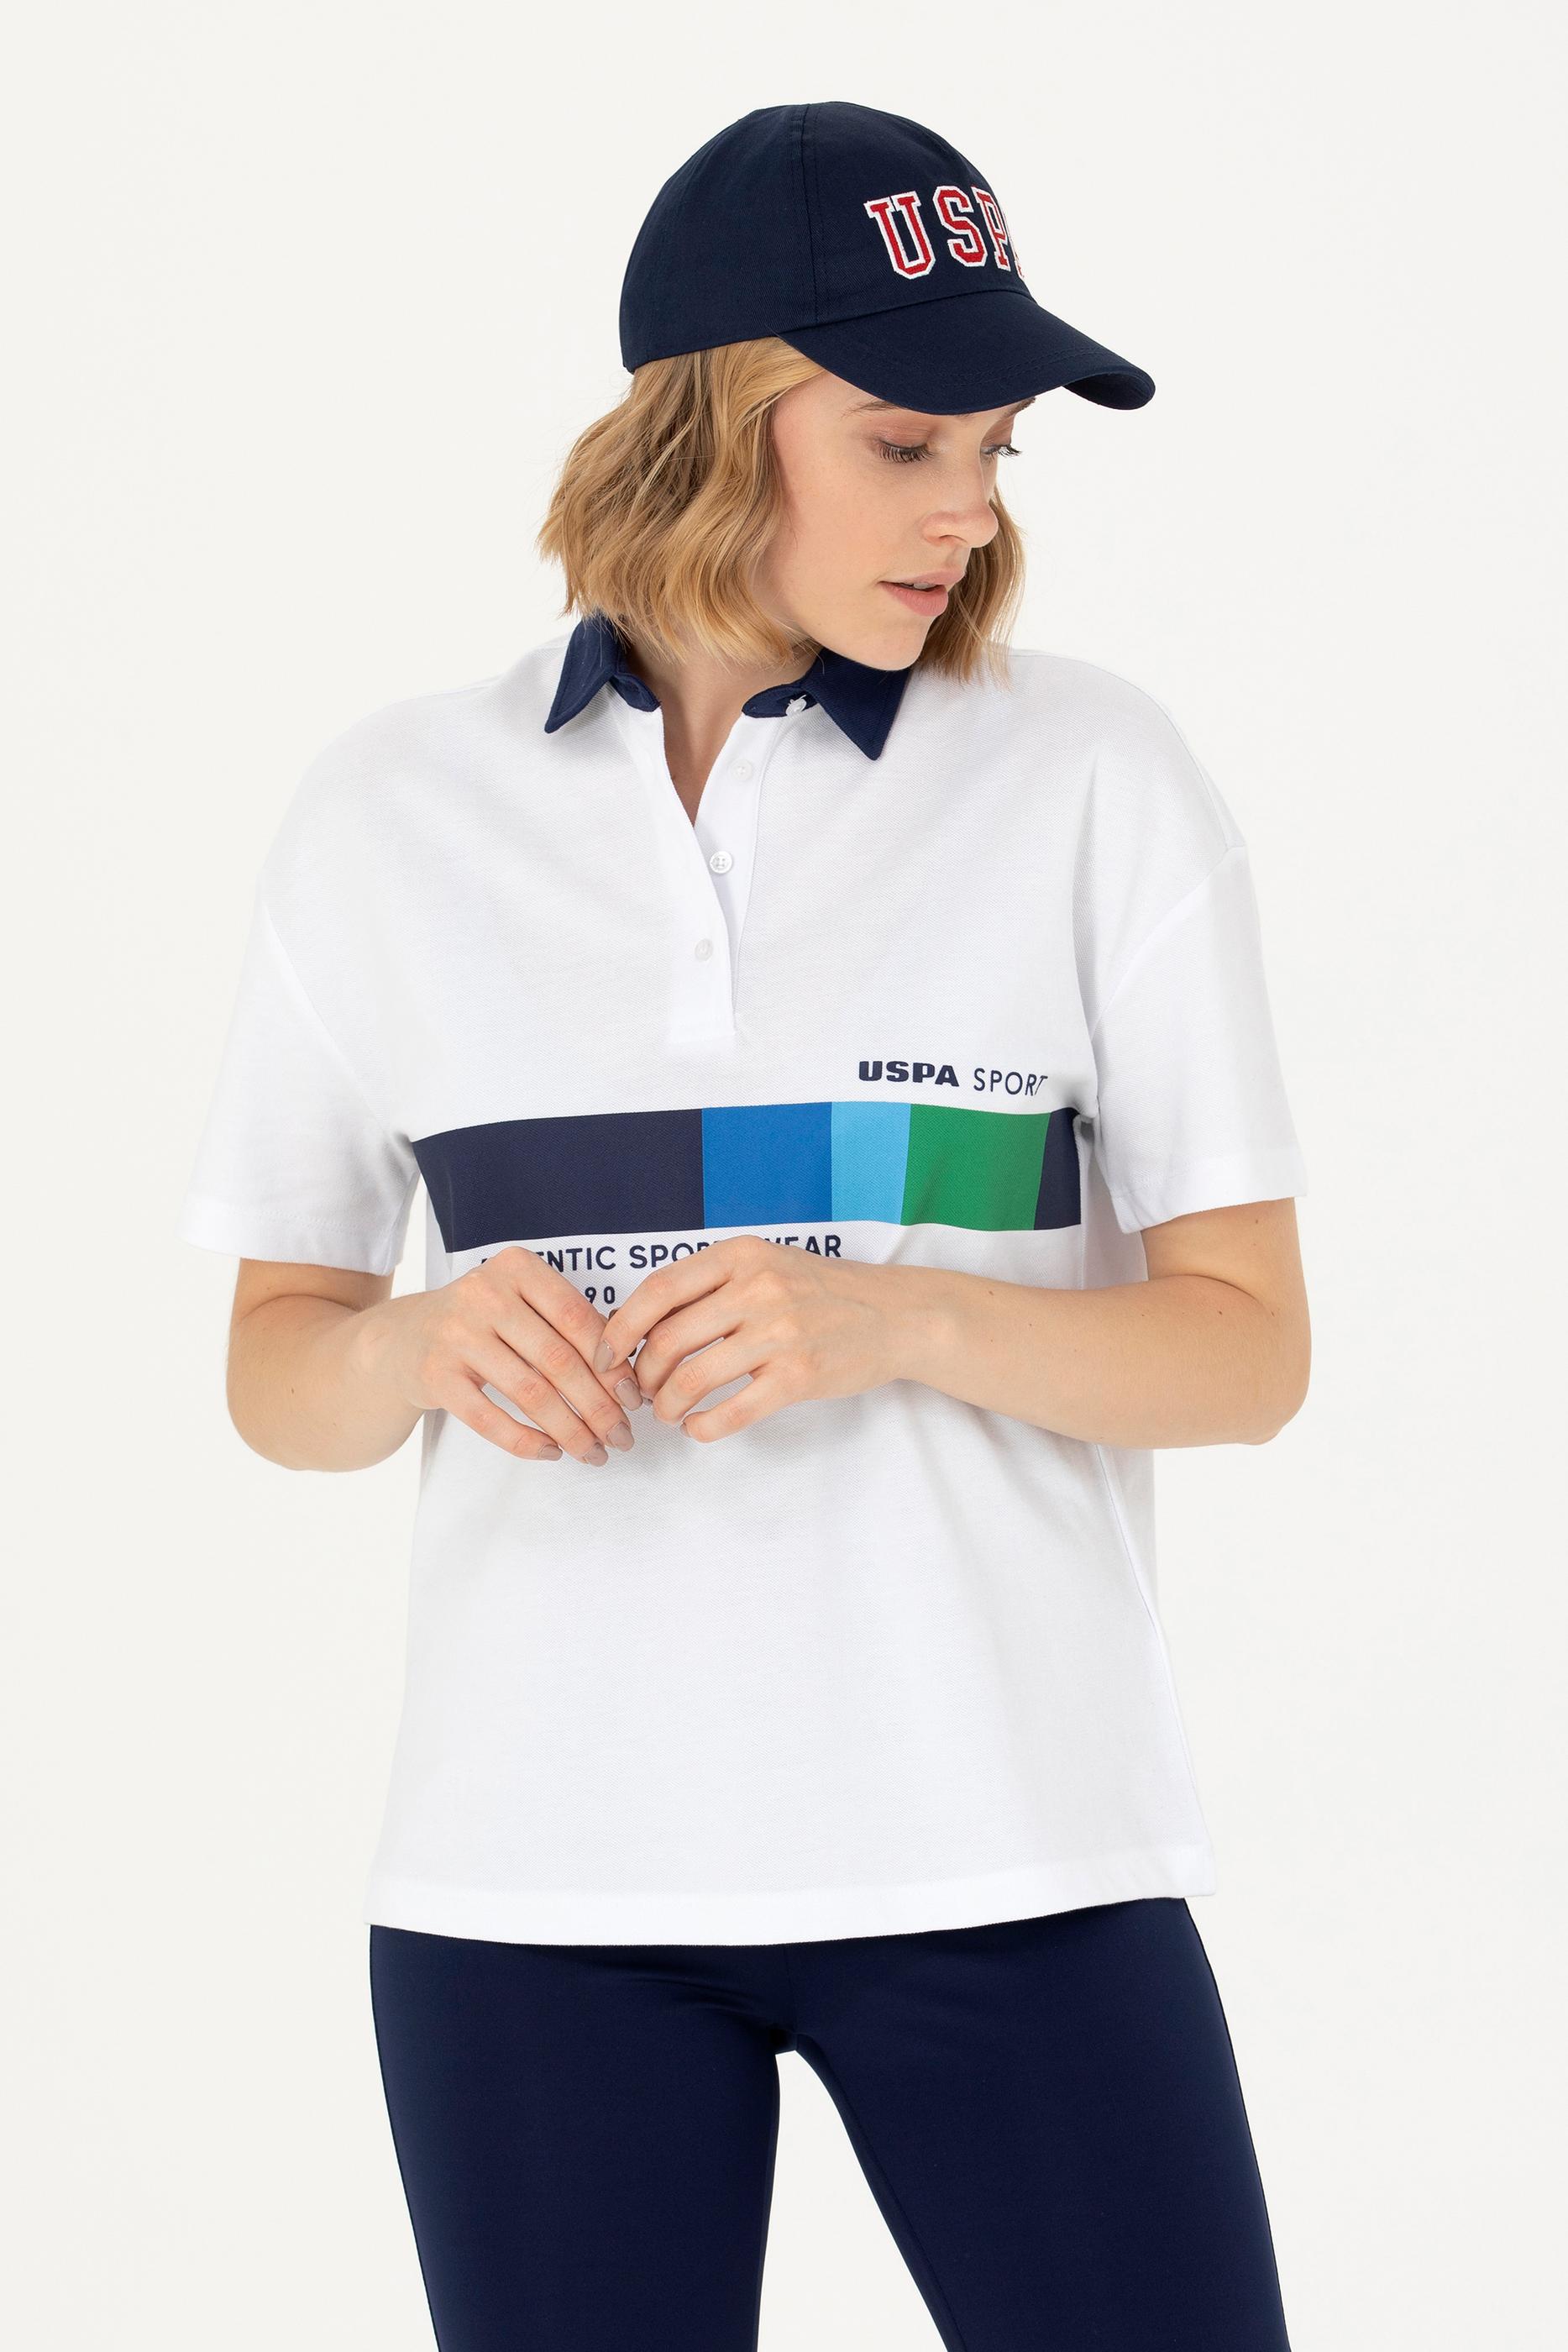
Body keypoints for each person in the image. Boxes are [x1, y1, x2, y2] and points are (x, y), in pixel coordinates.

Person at [179, 99, 1309, 2352]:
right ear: (706, 426)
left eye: (994, 448)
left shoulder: (1090, 781)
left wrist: (900, 1322)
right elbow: (277, 1362)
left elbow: (1247, 1348)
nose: (969, 507)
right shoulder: (392, 818)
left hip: (1012, 1853)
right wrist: (409, 1345)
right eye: (903, 441)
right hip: (531, 1899)